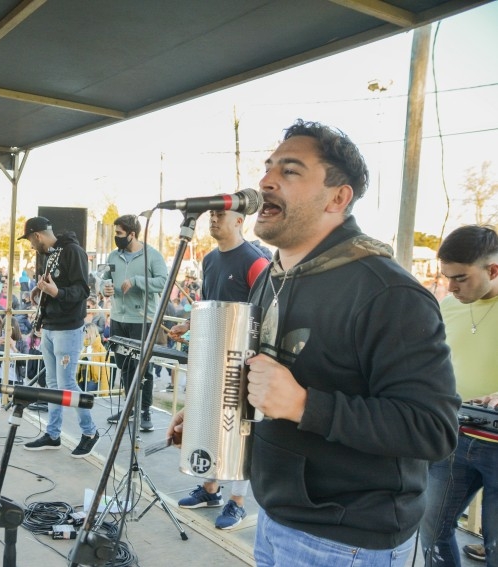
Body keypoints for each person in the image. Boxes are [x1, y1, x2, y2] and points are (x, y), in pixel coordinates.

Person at [168, 120, 460, 566]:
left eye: (290, 171)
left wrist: (306, 404)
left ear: (338, 197)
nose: (265, 181)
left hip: (348, 540)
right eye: (268, 168)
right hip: (277, 515)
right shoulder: (272, 274)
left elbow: (432, 429)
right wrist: (215, 411)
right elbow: (268, 376)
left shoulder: (388, 293)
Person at [168, 207, 270, 530]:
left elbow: (267, 311)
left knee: (241, 428)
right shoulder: (210, 260)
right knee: (211, 422)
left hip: (243, 363)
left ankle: (237, 501)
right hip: (211, 355)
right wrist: (188, 324)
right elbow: (207, 301)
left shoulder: (255, 261)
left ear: (239, 221)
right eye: (211, 214)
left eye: (220, 215)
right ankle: (210, 488)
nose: (212, 219)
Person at [420, 225, 498, 566]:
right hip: (451, 438)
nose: (451, 286)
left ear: (493, 269)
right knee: (431, 531)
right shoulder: (446, 306)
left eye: (461, 278)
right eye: (446, 276)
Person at [20, 216, 100, 457]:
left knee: (66, 383)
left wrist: (56, 291)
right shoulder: (52, 253)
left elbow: (82, 290)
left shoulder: (72, 251)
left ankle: (90, 432)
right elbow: (56, 284)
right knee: (53, 385)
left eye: (31, 241)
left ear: (37, 236)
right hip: (52, 327)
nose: (32, 246)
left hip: (68, 328)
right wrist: (41, 290)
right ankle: (53, 434)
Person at [100, 214, 168, 432]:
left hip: (142, 320)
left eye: (119, 234)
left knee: (143, 368)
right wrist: (105, 288)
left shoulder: (152, 256)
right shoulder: (113, 255)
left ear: (132, 234)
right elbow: (105, 279)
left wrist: (138, 281)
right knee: (124, 367)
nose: (116, 238)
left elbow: (163, 282)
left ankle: (145, 410)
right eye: (115, 233)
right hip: (118, 319)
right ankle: (129, 408)